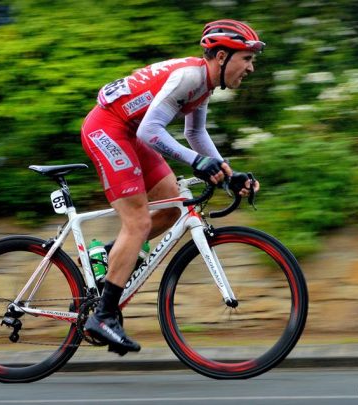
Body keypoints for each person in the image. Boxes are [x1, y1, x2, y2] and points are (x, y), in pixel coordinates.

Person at [82, 19, 263, 354]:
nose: (250, 67)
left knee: (170, 210)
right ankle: (104, 316)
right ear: (222, 56)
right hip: (109, 128)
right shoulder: (190, 77)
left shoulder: (204, 85)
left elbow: (196, 135)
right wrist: (197, 162)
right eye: (247, 58)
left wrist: (229, 174)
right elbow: (150, 131)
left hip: (132, 132)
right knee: (138, 222)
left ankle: (105, 259)